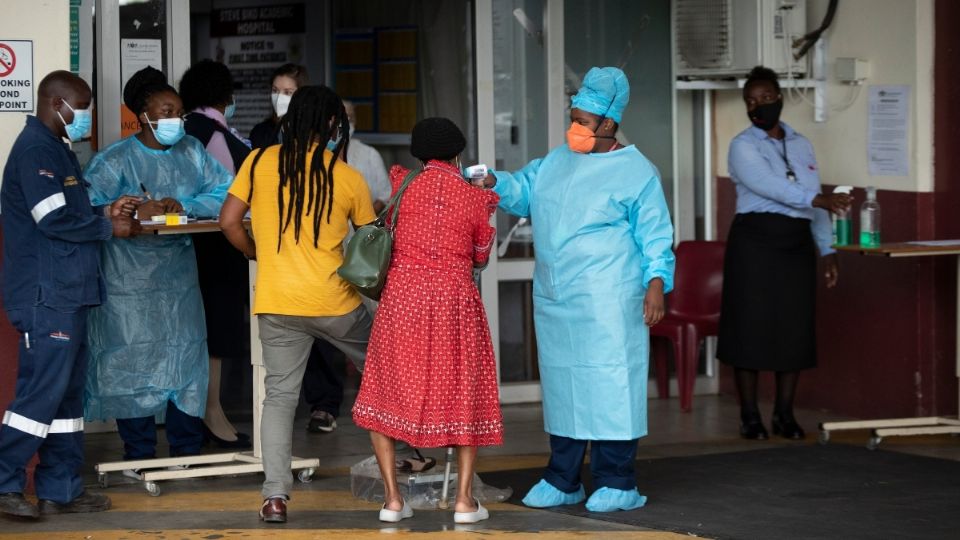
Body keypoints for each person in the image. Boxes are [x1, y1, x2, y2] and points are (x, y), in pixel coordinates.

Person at [474, 66, 675, 512]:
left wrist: (656, 285)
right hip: (557, 296)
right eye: (574, 116)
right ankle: (563, 478)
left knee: (610, 385)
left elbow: (656, 235)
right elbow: (523, 190)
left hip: (610, 299)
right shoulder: (556, 161)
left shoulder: (637, 172)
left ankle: (616, 479)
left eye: (584, 120)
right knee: (564, 386)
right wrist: (493, 181)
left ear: (608, 123)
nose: (575, 127)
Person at [220, 85, 376, 524]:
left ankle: (274, 497)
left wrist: (255, 252)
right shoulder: (345, 175)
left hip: (276, 300)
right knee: (383, 371)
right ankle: (404, 462)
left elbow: (228, 220)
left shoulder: (258, 161)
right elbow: (369, 243)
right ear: (331, 124)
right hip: (335, 303)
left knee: (280, 398)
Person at [0, 70, 140, 518]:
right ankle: (3, 482)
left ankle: (59, 487)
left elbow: (70, 210)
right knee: (39, 396)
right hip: (48, 296)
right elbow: (51, 219)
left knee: (66, 399)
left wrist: (104, 210)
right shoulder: (36, 149)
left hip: (70, 293)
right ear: (56, 103)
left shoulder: (59, 149)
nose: (86, 117)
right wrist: (108, 226)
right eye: (82, 108)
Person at [352, 117, 504, 524]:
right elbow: (480, 256)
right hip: (454, 303)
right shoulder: (474, 197)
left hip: (402, 301)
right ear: (457, 154)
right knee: (464, 394)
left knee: (383, 392)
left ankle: (393, 501)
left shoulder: (403, 188)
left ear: (418, 154)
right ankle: (465, 502)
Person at [82, 67, 233, 472]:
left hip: (178, 280)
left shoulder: (191, 152)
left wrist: (185, 206)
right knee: (133, 361)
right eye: (166, 110)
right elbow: (86, 207)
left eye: (179, 112)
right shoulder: (114, 160)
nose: (175, 121)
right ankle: (138, 454)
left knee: (184, 359)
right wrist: (129, 209)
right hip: (127, 284)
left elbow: (226, 193)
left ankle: (185, 451)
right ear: (143, 113)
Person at [717, 66, 852, 441]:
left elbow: (815, 201)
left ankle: (784, 414)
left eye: (764, 98)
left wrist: (827, 249)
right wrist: (817, 198)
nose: (757, 106)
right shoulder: (742, 146)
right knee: (750, 328)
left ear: (779, 98)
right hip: (755, 241)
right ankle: (749, 415)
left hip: (795, 245)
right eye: (750, 101)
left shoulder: (802, 143)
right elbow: (770, 186)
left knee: (794, 328)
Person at [179, 59, 253, 449]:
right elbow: (230, 194)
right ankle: (211, 413)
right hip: (217, 244)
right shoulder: (211, 134)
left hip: (194, 246)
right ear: (224, 96)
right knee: (217, 331)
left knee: (205, 329)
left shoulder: (193, 129)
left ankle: (210, 413)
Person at [248, 63, 308, 149]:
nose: (279, 98)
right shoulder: (260, 131)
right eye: (275, 91)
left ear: (302, 95)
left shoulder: (311, 133)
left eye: (287, 92)